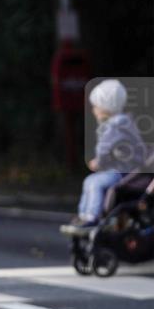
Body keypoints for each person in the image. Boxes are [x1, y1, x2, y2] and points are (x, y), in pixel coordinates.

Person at [63, 78, 147, 232]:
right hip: (130, 172)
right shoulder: (126, 122)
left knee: (94, 182)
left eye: (95, 106)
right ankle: (85, 215)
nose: (93, 110)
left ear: (105, 107)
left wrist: (98, 163)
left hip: (122, 173)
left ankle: (90, 216)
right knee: (92, 181)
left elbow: (104, 149)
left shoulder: (115, 126)